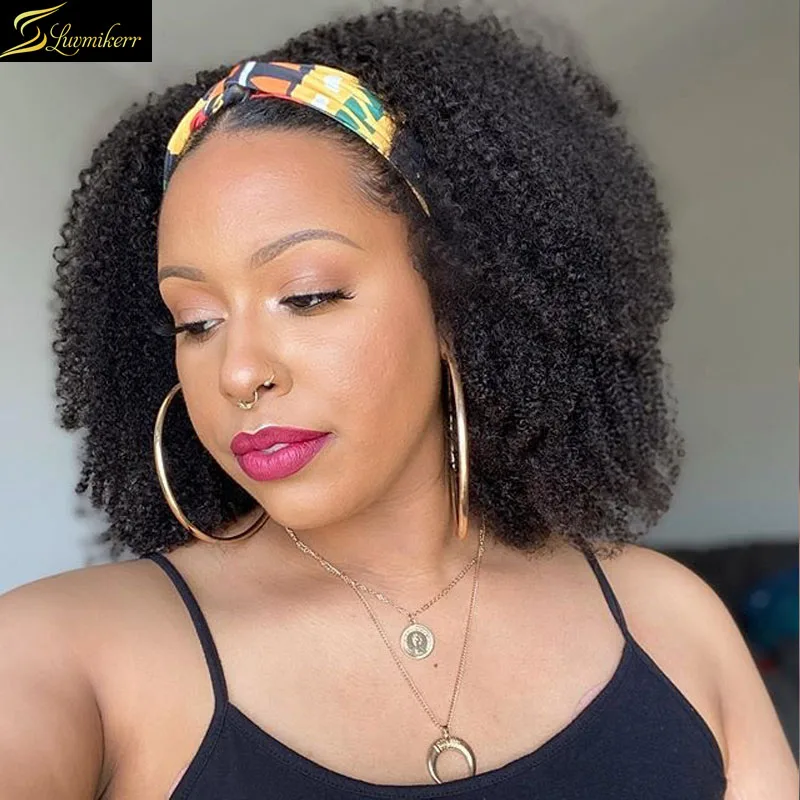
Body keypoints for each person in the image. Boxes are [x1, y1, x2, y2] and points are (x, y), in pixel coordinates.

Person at [1, 3, 796, 799]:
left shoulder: (670, 623)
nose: (238, 373)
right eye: (196, 321)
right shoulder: (64, 656)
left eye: (308, 295)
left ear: (461, 300)